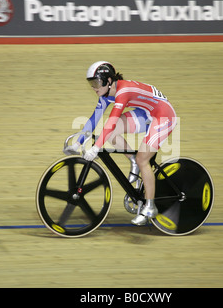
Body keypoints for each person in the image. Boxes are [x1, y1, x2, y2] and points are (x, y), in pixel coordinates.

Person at [64, 61, 177, 225]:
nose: (94, 88)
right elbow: (94, 119)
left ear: (108, 81)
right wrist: (78, 143)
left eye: (96, 83)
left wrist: (95, 148)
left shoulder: (123, 91)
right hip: (146, 112)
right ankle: (133, 161)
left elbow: (111, 120)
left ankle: (150, 207)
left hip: (163, 116)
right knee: (112, 133)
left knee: (143, 158)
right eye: (91, 84)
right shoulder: (106, 93)